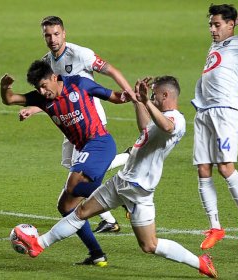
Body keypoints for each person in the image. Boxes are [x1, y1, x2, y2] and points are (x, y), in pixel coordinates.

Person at [14, 76, 218, 278]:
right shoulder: (159, 116)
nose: (152, 98)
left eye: (154, 95)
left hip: (139, 191)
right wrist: (138, 101)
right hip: (123, 181)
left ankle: (200, 262)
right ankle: (38, 244)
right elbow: (145, 128)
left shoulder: (177, 119)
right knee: (80, 212)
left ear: (166, 95)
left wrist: (146, 102)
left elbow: (167, 127)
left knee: (149, 245)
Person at [0, 60, 134, 266]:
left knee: (73, 185)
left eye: (44, 85)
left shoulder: (79, 84)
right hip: (84, 149)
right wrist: (5, 86)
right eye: (38, 88)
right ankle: (96, 254)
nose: (42, 91)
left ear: (54, 77)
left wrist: (126, 96)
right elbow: (9, 100)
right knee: (65, 206)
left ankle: (121, 195)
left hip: (100, 143)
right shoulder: (42, 99)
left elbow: (113, 96)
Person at [20, 16, 134, 233]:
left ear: (64, 33)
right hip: (69, 121)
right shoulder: (47, 63)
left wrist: (129, 93)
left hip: (89, 118)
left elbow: (111, 70)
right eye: (47, 35)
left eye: (56, 34)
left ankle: (110, 212)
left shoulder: (80, 54)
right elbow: (51, 96)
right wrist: (34, 109)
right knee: (71, 166)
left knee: (81, 172)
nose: (52, 39)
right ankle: (125, 163)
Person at [191, 3, 238, 250]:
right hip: (205, 112)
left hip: (226, 111)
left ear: (231, 24)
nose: (212, 30)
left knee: (225, 167)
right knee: (204, 169)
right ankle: (215, 227)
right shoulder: (216, 44)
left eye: (217, 25)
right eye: (210, 25)